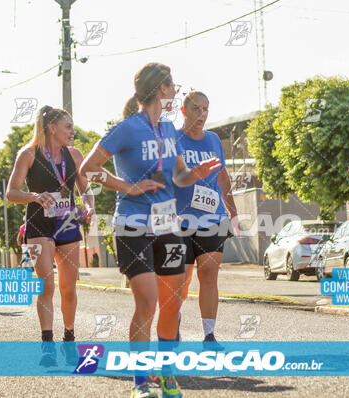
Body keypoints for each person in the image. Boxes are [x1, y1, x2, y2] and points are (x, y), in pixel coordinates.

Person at [80, 62, 220, 398]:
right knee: (148, 300)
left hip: (168, 226)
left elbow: (179, 177)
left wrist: (196, 174)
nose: (175, 90)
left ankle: (167, 375)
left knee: (172, 303)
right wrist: (127, 187)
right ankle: (141, 382)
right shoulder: (127, 129)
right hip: (132, 225)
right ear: (161, 88)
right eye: (172, 85)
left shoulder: (170, 130)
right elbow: (88, 169)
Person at [6, 105, 95, 367]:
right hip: (38, 225)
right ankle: (47, 343)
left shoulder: (75, 155)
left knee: (68, 288)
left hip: (67, 223)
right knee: (46, 285)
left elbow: (86, 188)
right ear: (52, 128)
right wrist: (34, 196)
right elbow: (12, 193)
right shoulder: (28, 154)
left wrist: (89, 205)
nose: (73, 131)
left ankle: (69, 336)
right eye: (68, 126)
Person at [175, 91, 240, 348]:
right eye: (196, 109)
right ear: (184, 110)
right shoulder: (174, 140)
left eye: (205, 109)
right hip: (180, 219)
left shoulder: (213, 140)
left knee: (209, 274)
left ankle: (209, 335)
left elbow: (222, 177)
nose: (202, 114)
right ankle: (173, 323)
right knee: (181, 279)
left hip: (213, 217)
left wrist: (232, 211)